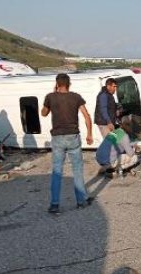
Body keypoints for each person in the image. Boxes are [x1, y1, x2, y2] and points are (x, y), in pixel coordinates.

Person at [41, 74, 94, 213]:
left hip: (58, 138)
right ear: (69, 84)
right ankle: (81, 201)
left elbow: (44, 113)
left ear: (57, 84)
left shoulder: (50, 97)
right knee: (77, 170)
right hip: (73, 137)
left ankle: (54, 204)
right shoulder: (76, 97)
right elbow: (87, 116)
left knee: (57, 171)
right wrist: (89, 134)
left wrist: (53, 94)